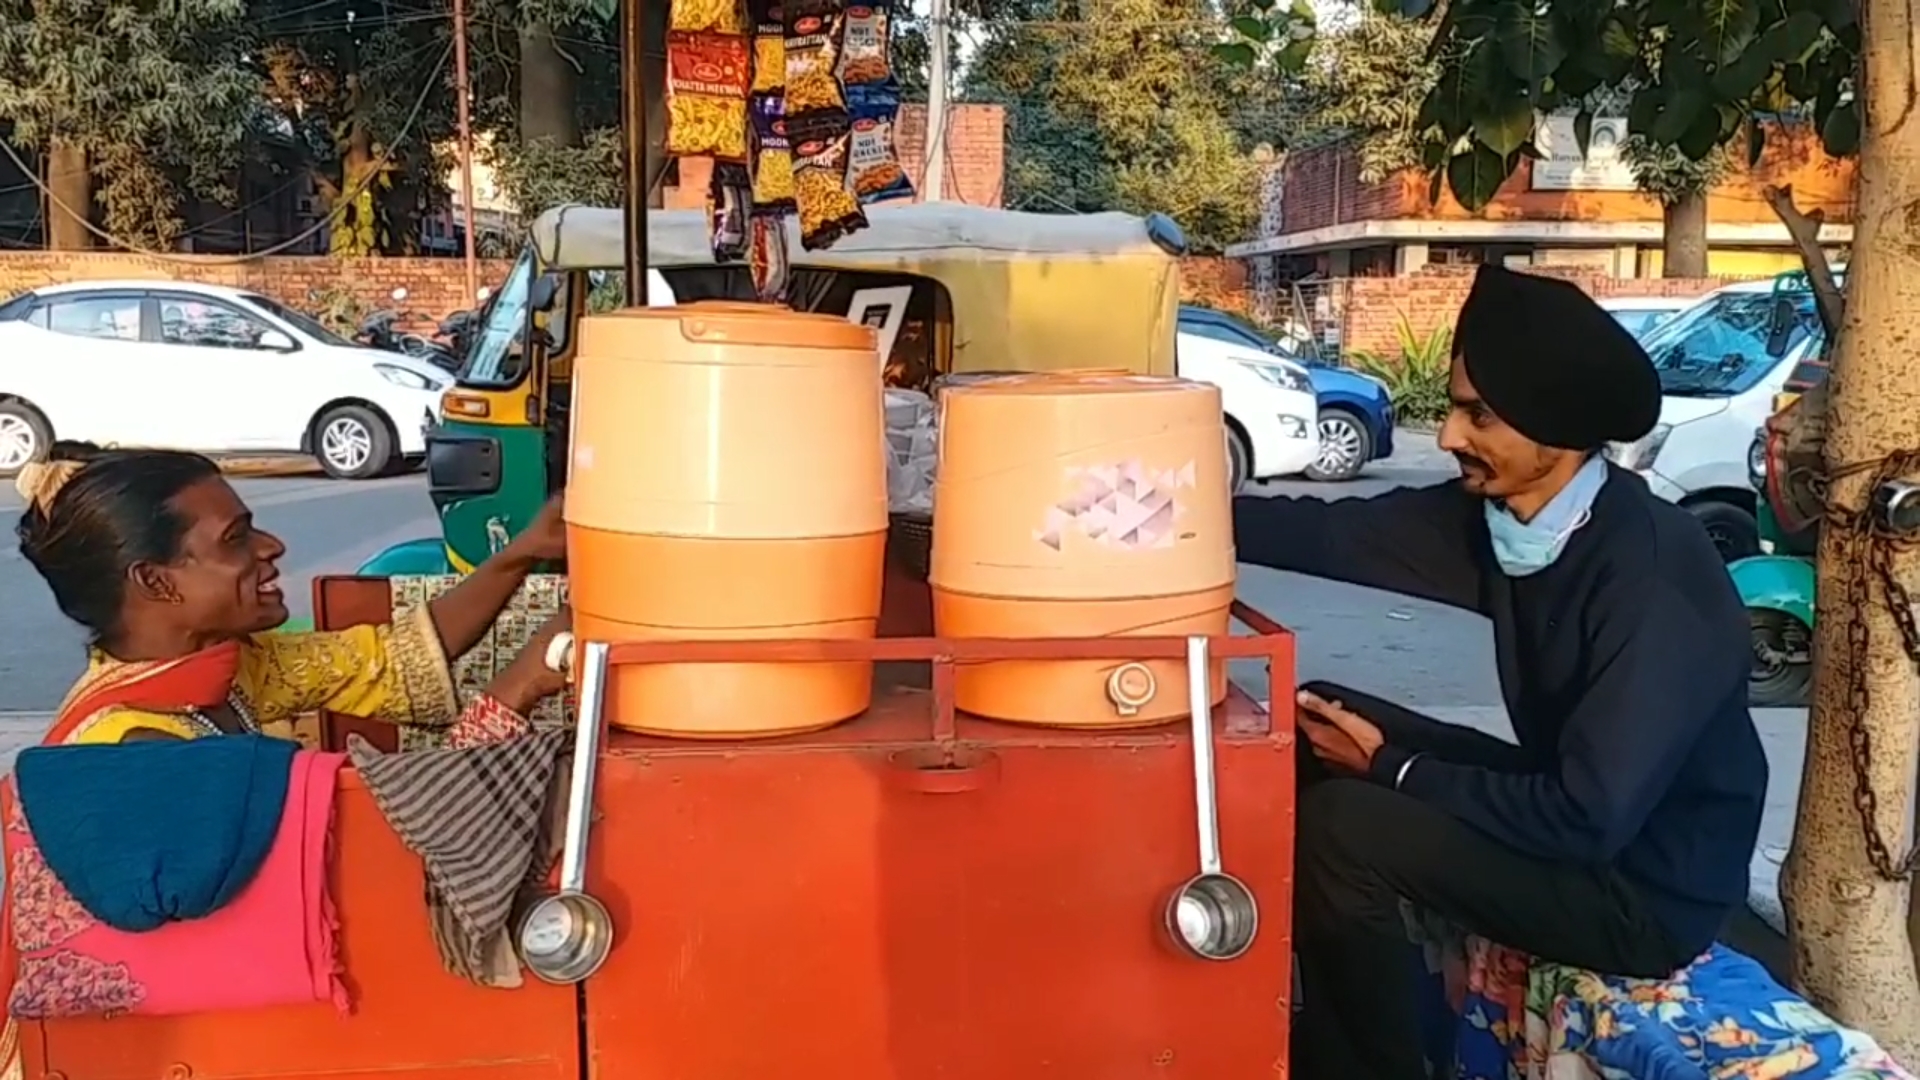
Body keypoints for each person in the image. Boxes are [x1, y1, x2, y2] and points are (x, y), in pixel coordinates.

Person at [1234, 266, 1768, 1080]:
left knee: (1349, 828)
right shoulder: (1506, 519)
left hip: (1641, 890)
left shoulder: (1649, 574)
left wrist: (1396, 768)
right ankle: (1330, 1008)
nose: (1448, 436)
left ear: (1553, 428)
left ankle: (1374, 1065)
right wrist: (1168, 503)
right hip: (1575, 813)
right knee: (1318, 720)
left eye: (1476, 415)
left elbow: (1587, 817)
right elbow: (1325, 534)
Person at [13, 441, 571, 747]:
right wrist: (520, 686)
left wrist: (521, 551)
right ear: (156, 581)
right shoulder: (134, 747)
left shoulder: (229, 668)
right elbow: (363, 837)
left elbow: (398, 660)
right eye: (235, 539)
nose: (272, 546)